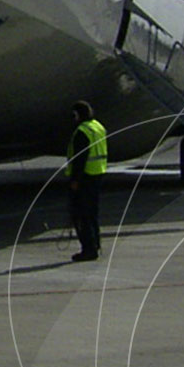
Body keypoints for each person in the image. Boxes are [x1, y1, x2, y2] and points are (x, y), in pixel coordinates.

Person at [67, 100, 108, 262]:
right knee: (92, 214)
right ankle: (95, 244)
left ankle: (88, 249)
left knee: (81, 215)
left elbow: (79, 159)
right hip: (98, 174)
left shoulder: (82, 132)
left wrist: (75, 180)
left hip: (84, 177)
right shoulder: (98, 127)